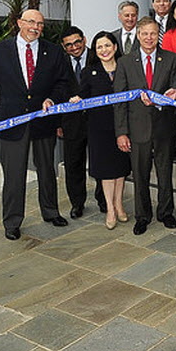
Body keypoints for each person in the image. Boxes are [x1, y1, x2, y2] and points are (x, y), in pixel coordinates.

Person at [0, 9, 71, 239]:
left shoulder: (53, 51)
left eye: (40, 24)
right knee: (14, 175)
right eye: (31, 22)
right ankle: (12, 221)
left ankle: (50, 211)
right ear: (19, 23)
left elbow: (63, 83)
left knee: (47, 170)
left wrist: (52, 99)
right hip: (12, 123)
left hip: (43, 122)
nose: (35, 27)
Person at [114, 16, 176, 234]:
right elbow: (119, 101)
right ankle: (142, 216)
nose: (149, 38)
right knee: (140, 174)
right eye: (144, 33)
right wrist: (121, 133)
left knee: (165, 172)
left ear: (159, 36)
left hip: (164, 127)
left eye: (153, 33)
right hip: (137, 129)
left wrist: (175, 90)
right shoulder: (126, 62)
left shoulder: (171, 59)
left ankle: (166, 212)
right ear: (138, 35)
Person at [71, 31, 130, 230]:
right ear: (95, 51)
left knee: (121, 169)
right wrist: (77, 99)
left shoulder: (126, 67)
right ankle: (110, 210)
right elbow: (83, 94)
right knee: (106, 171)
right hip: (99, 129)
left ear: (114, 47)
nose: (104, 50)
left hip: (122, 127)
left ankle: (120, 205)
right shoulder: (90, 71)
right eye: (99, 47)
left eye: (107, 45)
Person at [60, 26, 106, 217]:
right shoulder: (59, 63)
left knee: (101, 161)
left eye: (77, 42)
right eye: (69, 45)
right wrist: (58, 123)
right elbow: (56, 91)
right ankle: (77, 203)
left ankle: (103, 199)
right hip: (71, 123)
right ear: (64, 47)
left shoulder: (100, 56)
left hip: (98, 120)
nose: (74, 47)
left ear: (85, 40)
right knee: (73, 163)